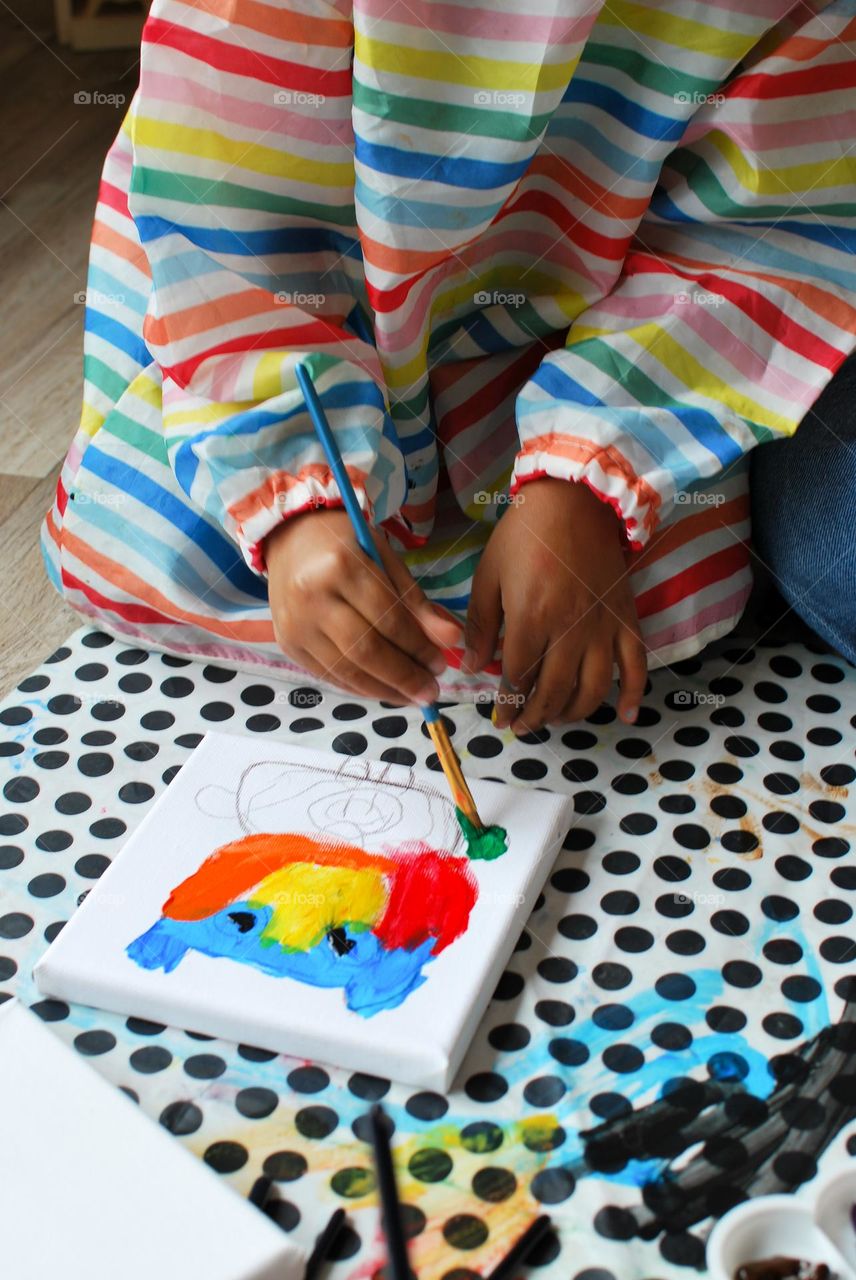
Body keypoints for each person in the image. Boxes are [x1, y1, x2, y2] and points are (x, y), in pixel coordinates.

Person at [43, 0, 856, 734]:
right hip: (287, 318)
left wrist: (591, 477)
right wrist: (295, 501)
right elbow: (227, 229)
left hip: (611, 334)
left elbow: (753, 233)